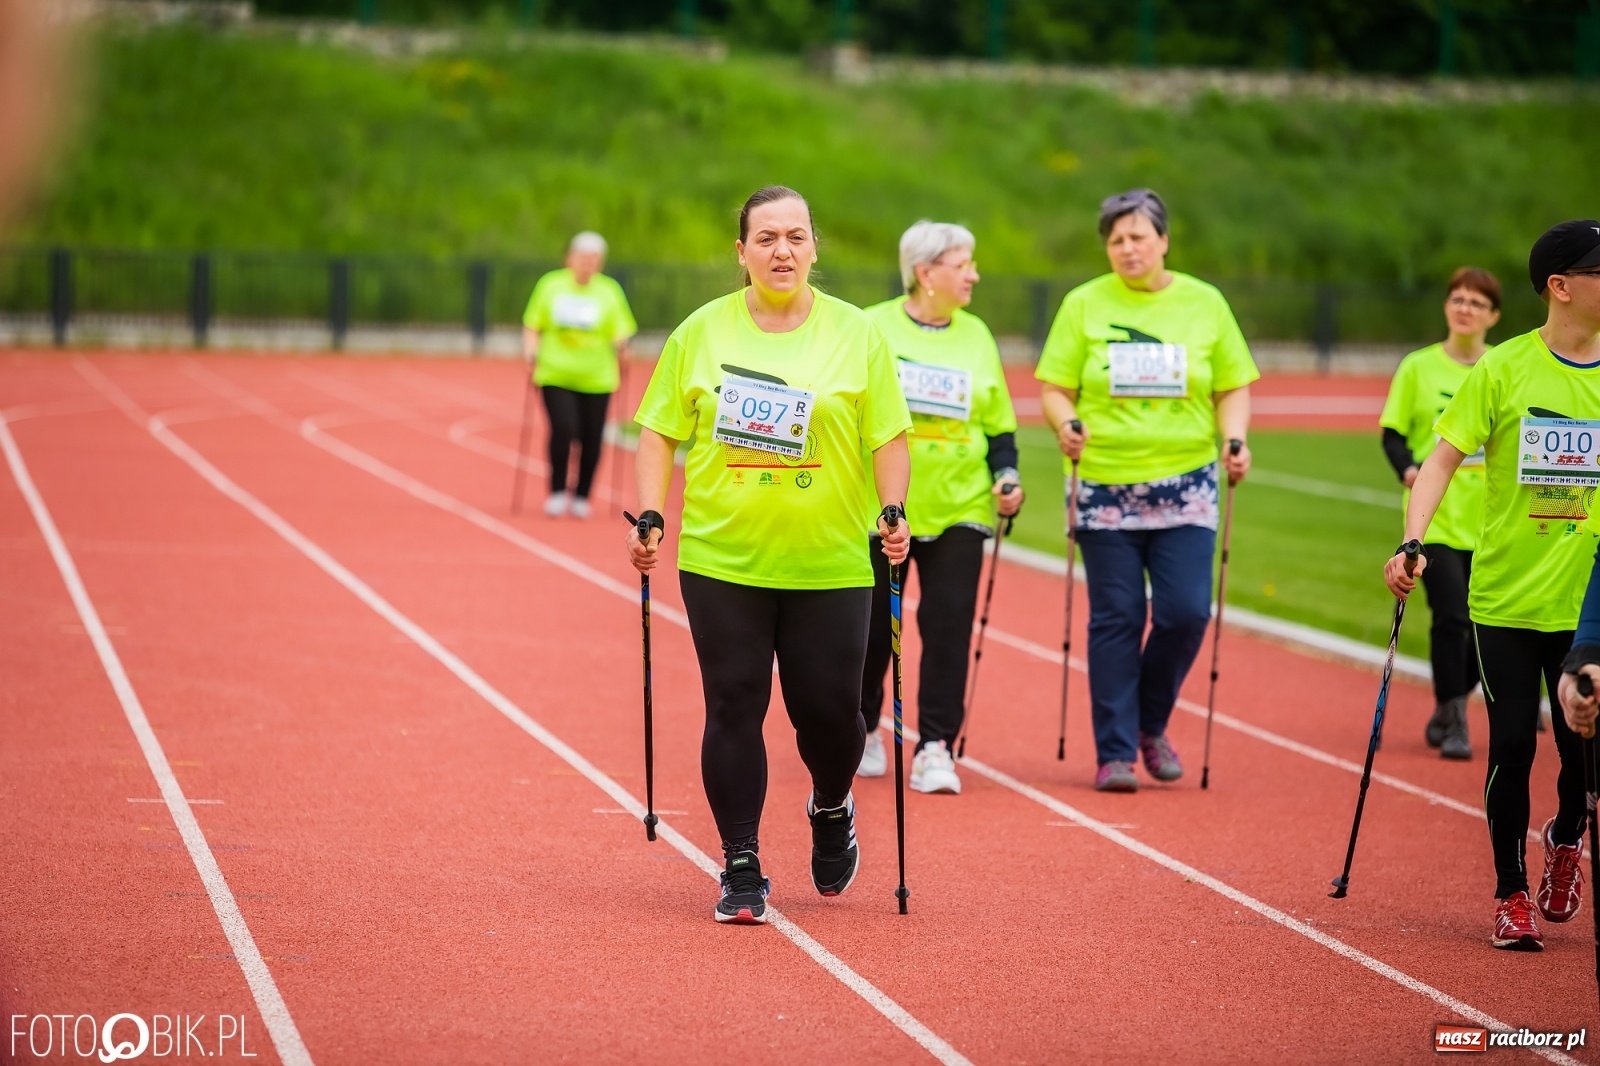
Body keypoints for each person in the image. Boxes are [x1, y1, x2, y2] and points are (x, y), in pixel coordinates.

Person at [626, 186, 912, 924]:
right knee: (733, 703)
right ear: (742, 251)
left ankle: (830, 802)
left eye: (795, 236)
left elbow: (888, 435)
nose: (781, 250)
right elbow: (658, 429)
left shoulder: (857, 333)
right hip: (725, 559)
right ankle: (741, 863)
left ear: (815, 247)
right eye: (766, 238)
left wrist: (894, 510)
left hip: (832, 561)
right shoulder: (701, 332)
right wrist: (652, 511)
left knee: (829, 716)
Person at [1386, 219, 1600, 951]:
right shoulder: (1503, 369)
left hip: (1587, 605)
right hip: (1506, 595)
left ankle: (1567, 838)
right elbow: (1440, 460)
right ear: (1561, 286)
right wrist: (1412, 540)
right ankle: (1511, 891)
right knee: (1513, 743)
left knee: (1584, 758)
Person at [1036, 188, 1256, 793]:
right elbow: (1054, 387)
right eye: (1115, 240)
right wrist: (1066, 424)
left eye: (1137, 237)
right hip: (1104, 485)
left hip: (1187, 485)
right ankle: (1115, 753)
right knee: (1118, 615)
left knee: (1186, 612)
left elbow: (1232, 385)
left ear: (1163, 240)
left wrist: (1234, 439)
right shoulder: (1083, 304)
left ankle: (1149, 724)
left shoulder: (1205, 304)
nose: (1127, 249)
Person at [855, 221, 1021, 794]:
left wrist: (1007, 476)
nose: (974, 273)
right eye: (962, 263)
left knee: (948, 627)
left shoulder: (976, 335)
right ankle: (865, 730)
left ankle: (934, 746)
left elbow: (998, 423)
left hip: (960, 505)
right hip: (884, 505)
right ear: (925, 273)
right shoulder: (871, 326)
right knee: (872, 628)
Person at [1379, 267, 1502, 760]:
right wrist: (1409, 469)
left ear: (1493, 315)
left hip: (1493, 521)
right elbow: (1391, 433)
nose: (1464, 307)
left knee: (1484, 624)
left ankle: (1452, 698)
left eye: (1476, 301)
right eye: (1457, 298)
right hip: (1438, 522)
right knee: (1451, 615)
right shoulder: (1418, 367)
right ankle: (1453, 716)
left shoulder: (1503, 366)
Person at [522, 231, 638, 519]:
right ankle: (558, 490)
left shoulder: (609, 290)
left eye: (595, 259)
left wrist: (623, 349)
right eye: (583, 257)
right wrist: (530, 352)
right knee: (564, 428)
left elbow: (621, 329)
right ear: (569, 257)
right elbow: (532, 324)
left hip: (597, 376)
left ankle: (583, 494)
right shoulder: (550, 285)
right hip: (555, 372)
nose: (588, 263)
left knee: (592, 437)